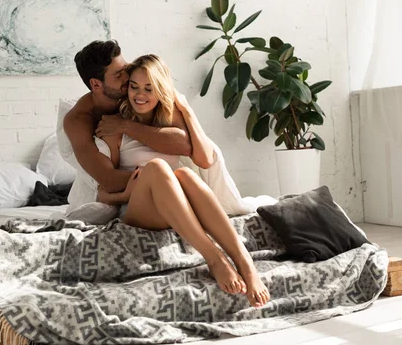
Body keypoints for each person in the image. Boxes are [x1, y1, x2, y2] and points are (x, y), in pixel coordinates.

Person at [94, 54, 270, 308]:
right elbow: (101, 193)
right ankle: (215, 258)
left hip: (173, 207)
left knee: (185, 174)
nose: (139, 95)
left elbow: (206, 159)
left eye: (149, 88)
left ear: (162, 90)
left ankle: (246, 265)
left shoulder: (170, 119)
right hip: (137, 210)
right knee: (156, 167)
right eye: (134, 86)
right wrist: (124, 194)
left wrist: (186, 109)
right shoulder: (115, 127)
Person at [64, 40, 192, 196]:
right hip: (117, 193)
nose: (127, 77)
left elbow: (185, 145)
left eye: (125, 69)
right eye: (118, 75)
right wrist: (164, 180)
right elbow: (108, 180)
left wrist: (125, 126)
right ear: (96, 85)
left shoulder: (138, 93)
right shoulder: (78, 120)